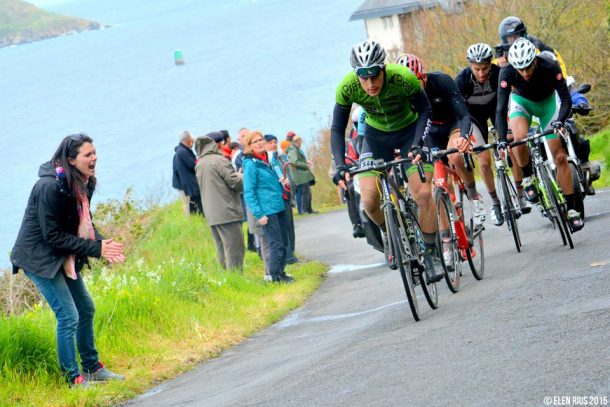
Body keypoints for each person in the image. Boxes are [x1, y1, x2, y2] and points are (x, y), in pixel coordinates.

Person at [10, 133, 125, 388]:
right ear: (71, 160)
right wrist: (96, 249)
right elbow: (52, 236)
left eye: (94, 152)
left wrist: (104, 245)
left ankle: (93, 368)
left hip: (61, 254)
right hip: (39, 258)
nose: (94, 158)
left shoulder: (85, 182)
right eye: (87, 154)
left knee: (86, 308)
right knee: (68, 315)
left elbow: (83, 224)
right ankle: (73, 378)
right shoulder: (49, 187)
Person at [330, 40, 444, 283]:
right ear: (356, 74)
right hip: (375, 138)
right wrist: (340, 164)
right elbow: (338, 127)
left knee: (423, 195)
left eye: (375, 76)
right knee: (369, 200)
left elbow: (425, 111)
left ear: (383, 68)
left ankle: (432, 253)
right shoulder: (347, 87)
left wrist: (418, 144)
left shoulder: (403, 77)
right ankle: (390, 234)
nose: (370, 84)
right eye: (364, 77)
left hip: (408, 133)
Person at [495, 38, 583, 231]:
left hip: (547, 104)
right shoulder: (506, 72)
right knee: (518, 140)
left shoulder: (550, 66)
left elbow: (566, 99)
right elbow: (501, 109)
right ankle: (527, 177)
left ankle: (571, 209)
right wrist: (502, 139)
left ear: (534, 60)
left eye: (528, 67)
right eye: (521, 69)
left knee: (559, 157)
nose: (525, 73)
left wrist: (560, 120)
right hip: (522, 103)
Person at [397, 54, 486, 227]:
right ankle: (449, 232)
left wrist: (464, 137)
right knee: (436, 182)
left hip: (452, 124)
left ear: (423, 77)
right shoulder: (404, 96)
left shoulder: (441, 81)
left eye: (415, 82)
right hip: (430, 132)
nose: (411, 88)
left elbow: (464, 115)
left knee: (456, 156)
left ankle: (473, 194)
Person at [455, 43, 531, 226]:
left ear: (491, 64)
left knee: (511, 145)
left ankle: (521, 193)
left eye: (485, 68)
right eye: (477, 69)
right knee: (484, 160)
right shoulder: (462, 80)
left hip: (497, 110)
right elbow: (459, 111)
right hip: (474, 118)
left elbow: (513, 95)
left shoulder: (499, 73)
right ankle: (496, 203)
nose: (481, 73)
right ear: (470, 66)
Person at [242, 131, 294, 283]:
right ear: (250, 146)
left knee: (284, 242)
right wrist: (259, 214)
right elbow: (249, 192)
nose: (259, 143)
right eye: (255, 142)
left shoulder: (269, 158)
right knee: (275, 244)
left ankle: (281, 272)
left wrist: (283, 182)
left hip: (279, 204)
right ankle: (275, 277)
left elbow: (276, 177)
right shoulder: (250, 164)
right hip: (267, 210)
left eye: (260, 140)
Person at [195, 135, 245, 271]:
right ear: (216, 145)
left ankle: (228, 280)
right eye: (222, 143)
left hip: (212, 213)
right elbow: (235, 182)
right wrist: (244, 175)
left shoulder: (200, 163)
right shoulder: (219, 160)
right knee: (235, 247)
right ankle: (236, 280)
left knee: (221, 248)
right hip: (226, 210)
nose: (224, 146)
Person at [495, 16, 567, 77]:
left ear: (523, 34)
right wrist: (499, 66)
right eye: (510, 38)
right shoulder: (501, 52)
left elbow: (555, 57)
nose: (514, 40)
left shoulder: (535, 44)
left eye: (516, 36)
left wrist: (562, 78)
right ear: (505, 39)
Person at [265, 134, 298, 264]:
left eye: (275, 142)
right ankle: (288, 256)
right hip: (278, 197)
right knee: (283, 229)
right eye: (270, 142)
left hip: (287, 195)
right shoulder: (268, 160)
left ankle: (291, 254)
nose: (273, 144)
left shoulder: (279, 157)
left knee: (290, 227)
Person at [172, 130, 203, 216]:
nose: (192, 144)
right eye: (191, 141)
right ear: (188, 140)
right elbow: (193, 165)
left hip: (181, 182)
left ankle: (191, 219)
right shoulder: (183, 152)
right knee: (187, 204)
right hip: (183, 184)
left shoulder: (180, 151)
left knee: (187, 203)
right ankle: (190, 221)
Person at [286, 134, 317, 215]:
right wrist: (305, 165)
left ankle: (309, 209)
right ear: (297, 142)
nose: (301, 143)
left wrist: (306, 162)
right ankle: (305, 210)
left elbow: (299, 160)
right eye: (300, 141)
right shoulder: (293, 150)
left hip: (303, 174)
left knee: (308, 193)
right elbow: (295, 162)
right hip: (300, 175)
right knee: (305, 193)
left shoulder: (296, 149)